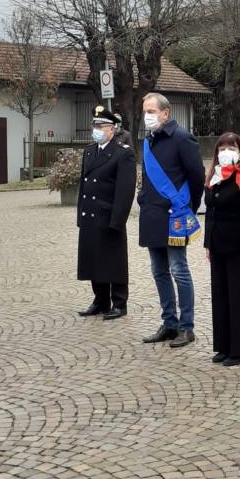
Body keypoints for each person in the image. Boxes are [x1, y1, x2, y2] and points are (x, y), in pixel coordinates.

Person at [138, 92, 205, 349]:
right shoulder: (149, 140)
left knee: (179, 270)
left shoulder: (182, 138)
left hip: (174, 216)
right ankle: (169, 323)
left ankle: (186, 327)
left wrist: (189, 207)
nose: (147, 116)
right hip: (152, 216)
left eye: (152, 111)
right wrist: (143, 199)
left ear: (166, 113)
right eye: (145, 112)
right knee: (158, 271)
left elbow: (197, 176)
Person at [204, 132, 240, 367]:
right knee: (220, 296)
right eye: (222, 147)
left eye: (231, 147)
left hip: (239, 247)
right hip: (217, 245)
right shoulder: (214, 177)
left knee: (238, 298)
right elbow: (210, 213)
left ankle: (239, 350)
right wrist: (208, 243)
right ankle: (223, 346)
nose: (226, 152)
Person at [77, 107, 137, 320]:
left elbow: (125, 189)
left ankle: (119, 302)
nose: (97, 130)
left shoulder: (123, 153)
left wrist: (117, 220)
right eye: (95, 126)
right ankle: (100, 300)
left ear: (112, 129)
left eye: (101, 126)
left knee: (114, 259)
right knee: (94, 258)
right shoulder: (90, 151)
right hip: (91, 215)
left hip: (109, 215)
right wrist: (80, 215)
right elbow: (83, 187)